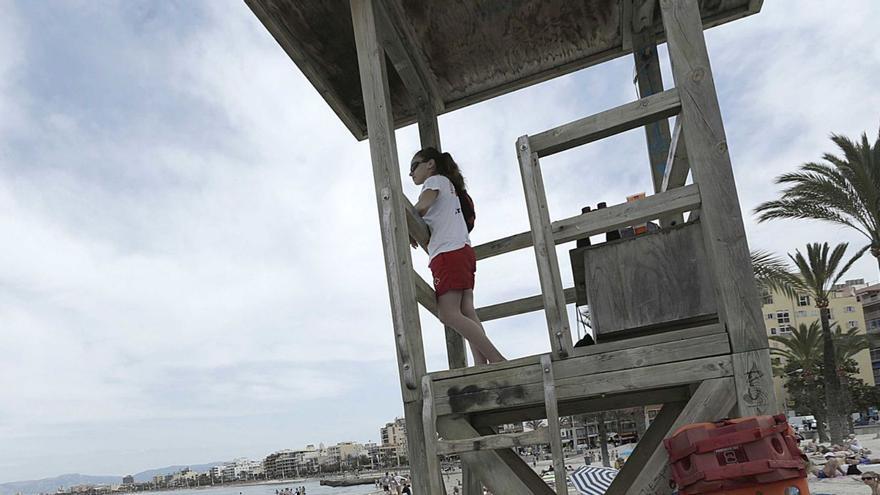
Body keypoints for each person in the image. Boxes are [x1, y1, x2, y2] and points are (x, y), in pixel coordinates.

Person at [409, 147, 505, 364]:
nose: (411, 173)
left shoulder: (434, 181)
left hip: (448, 253)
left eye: (414, 166)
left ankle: (496, 360)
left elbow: (422, 206)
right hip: (463, 251)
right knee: (466, 310)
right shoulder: (449, 185)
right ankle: (482, 365)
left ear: (430, 164)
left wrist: (407, 226)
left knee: (448, 314)